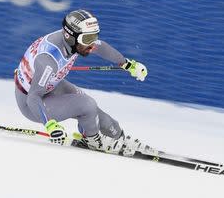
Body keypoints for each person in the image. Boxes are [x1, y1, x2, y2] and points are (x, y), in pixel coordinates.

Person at [14, 9, 154, 156]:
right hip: (32, 103)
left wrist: (128, 65)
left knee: (99, 115)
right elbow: (33, 97)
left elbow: (101, 47)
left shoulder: (74, 41)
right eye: (88, 39)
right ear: (71, 37)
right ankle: (92, 140)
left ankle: (119, 138)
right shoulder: (49, 60)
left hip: (50, 86)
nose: (92, 44)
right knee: (86, 104)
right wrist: (50, 125)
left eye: (94, 36)